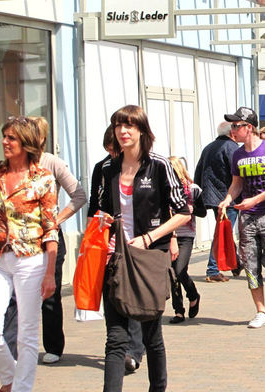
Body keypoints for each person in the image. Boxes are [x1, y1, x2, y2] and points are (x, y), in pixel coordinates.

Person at [98, 105, 190, 391]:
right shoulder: (105, 168)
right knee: (115, 339)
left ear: (141, 130)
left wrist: (151, 238)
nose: (123, 131)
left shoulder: (158, 165)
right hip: (114, 259)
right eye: (118, 126)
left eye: (129, 126)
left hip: (149, 259)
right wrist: (102, 221)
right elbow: (96, 210)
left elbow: (184, 211)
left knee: (152, 336)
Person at [0, 116, 59, 392]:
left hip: (31, 261)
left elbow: (50, 227)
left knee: (26, 334)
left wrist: (50, 273)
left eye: (11, 138)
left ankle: (21, 389)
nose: (5, 142)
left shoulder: (43, 179)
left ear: (26, 143)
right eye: (4, 136)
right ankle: (10, 378)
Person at [2, 116, 87, 365]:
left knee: (49, 295)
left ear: (40, 138)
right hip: (18, 239)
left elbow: (79, 195)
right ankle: (10, 349)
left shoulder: (53, 163)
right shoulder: (11, 165)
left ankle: (53, 346)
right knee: (14, 297)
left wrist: (56, 220)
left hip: (48, 238)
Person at [218, 107, 265, 329]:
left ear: (249, 128)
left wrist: (255, 200)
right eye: (231, 126)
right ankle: (261, 311)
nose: (233, 130)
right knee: (250, 264)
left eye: (236, 126)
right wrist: (228, 199)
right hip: (247, 216)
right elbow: (237, 184)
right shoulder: (237, 154)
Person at [194, 121, 240, 283]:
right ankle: (213, 268)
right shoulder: (232, 148)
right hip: (228, 197)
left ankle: (236, 264)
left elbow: (199, 171)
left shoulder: (209, 147)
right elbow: (238, 175)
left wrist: (199, 195)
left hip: (213, 197)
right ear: (232, 132)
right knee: (221, 232)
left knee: (224, 229)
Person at [167, 157, 202, 325]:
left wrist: (193, 208)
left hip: (186, 234)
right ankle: (178, 310)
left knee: (180, 270)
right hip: (168, 235)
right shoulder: (164, 188)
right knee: (172, 274)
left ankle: (193, 294)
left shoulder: (193, 189)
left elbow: (202, 211)